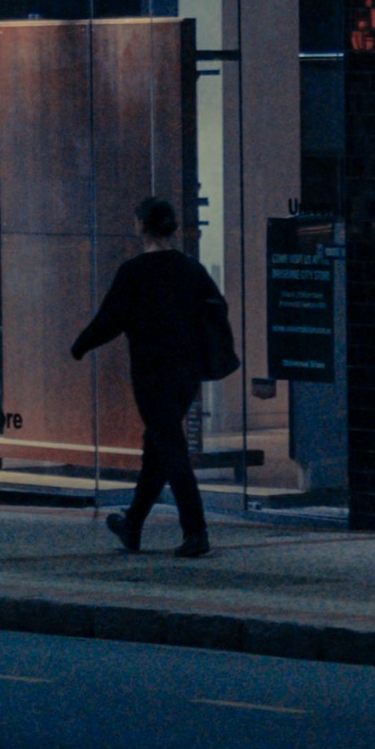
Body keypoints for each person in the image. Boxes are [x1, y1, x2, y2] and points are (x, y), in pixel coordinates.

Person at [70, 193, 236, 559]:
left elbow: (109, 320)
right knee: (157, 448)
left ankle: (196, 531)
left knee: (170, 447)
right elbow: (214, 311)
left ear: (141, 226)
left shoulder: (134, 272)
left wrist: (80, 345)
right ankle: (132, 523)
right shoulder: (191, 270)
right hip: (186, 373)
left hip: (151, 373)